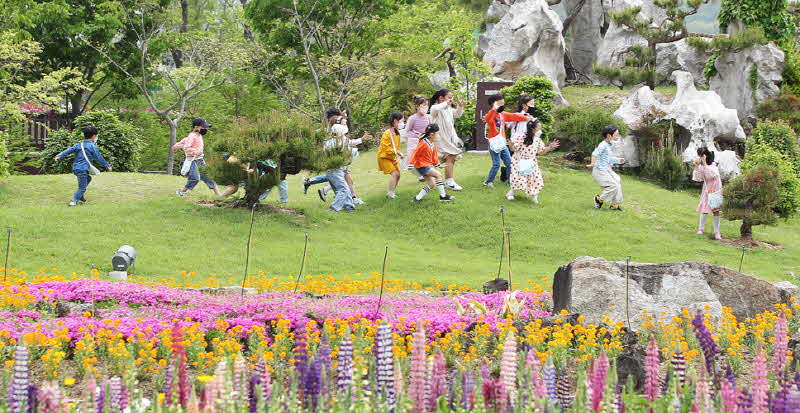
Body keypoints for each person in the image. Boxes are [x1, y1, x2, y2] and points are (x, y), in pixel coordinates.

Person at [482, 93, 532, 189]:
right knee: (496, 164)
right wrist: (494, 109)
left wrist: (526, 118)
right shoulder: (491, 114)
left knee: (510, 163)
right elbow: (488, 119)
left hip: (502, 143)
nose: (503, 103)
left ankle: (511, 181)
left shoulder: (503, 114)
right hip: (494, 143)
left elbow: (514, 116)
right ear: (495, 103)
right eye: (501, 102)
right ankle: (488, 182)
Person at [54, 126, 112, 206]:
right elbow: (98, 157)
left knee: (89, 178)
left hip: (76, 168)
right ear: (94, 136)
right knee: (82, 188)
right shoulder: (92, 146)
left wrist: (59, 156)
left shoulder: (79, 145)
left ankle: (80, 196)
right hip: (83, 169)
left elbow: (68, 150)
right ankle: (73, 201)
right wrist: (107, 166)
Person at [507, 119, 559, 203]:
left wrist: (550, 147)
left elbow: (541, 152)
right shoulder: (521, 138)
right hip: (519, 161)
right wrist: (511, 145)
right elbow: (515, 149)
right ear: (533, 129)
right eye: (539, 127)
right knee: (518, 179)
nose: (540, 129)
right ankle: (511, 193)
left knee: (535, 179)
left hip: (531, 162)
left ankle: (534, 197)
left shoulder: (538, 140)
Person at [173, 118, 221, 197]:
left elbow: (185, 141)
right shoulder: (192, 136)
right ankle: (182, 191)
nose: (205, 129)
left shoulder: (198, 135)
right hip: (193, 160)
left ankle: (219, 194)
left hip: (200, 159)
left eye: (206, 127)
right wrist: (194, 151)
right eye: (203, 127)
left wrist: (177, 146)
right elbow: (187, 147)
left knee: (208, 176)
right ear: (196, 127)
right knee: (195, 178)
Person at [429, 88, 465, 191]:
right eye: (449, 97)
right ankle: (449, 181)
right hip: (440, 140)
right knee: (450, 156)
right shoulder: (435, 108)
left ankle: (426, 171)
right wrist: (446, 103)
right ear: (441, 98)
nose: (451, 99)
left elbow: (457, 114)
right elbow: (436, 109)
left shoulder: (448, 109)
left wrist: (460, 106)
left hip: (449, 139)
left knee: (447, 158)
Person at [409, 124, 454, 202]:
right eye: (437, 133)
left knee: (432, 184)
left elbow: (434, 156)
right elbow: (415, 153)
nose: (439, 135)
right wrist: (411, 164)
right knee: (438, 175)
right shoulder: (423, 143)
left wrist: (438, 165)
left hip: (426, 165)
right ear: (431, 134)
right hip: (422, 166)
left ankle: (417, 198)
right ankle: (443, 196)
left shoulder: (432, 144)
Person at [587, 125, 625, 211]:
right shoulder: (603, 145)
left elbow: (608, 158)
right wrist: (592, 164)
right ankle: (599, 200)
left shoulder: (609, 144)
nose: (617, 137)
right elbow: (594, 154)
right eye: (616, 135)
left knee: (617, 180)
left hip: (607, 169)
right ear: (609, 136)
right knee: (613, 185)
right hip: (600, 171)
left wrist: (619, 160)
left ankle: (615, 205)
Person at [693, 147, 723, 240]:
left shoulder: (713, 165)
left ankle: (716, 231)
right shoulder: (702, 166)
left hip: (716, 190)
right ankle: (701, 229)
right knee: (704, 210)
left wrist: (705, 163)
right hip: (707, 190)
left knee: (716, 211)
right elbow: (698, 178)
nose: (700, 158)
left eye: (701, 156)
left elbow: (713, 174)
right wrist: (696, 166)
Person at [378, 111, 405, 198]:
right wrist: (397, 152)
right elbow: (386, 148)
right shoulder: (387, 133)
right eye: (401, 121)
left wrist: (398, 153)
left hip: (392, 157)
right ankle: (390, 194)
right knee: (395, 174)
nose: (402, 123)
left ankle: (391, 192)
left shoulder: (397, 133)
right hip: (384, 157)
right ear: (395, 121)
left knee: (398, 175)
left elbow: (396, 147)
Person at [404, 96, 430, 181]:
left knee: (426, 161)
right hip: (414, 143)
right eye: (424, 105)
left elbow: (431, 129)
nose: (426, 107)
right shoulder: (412, 118)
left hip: (425, 142)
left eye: (427, 105)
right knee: (411, 163)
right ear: (417, 106)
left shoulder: (429, 117)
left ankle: (426, 175)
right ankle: (420, 175)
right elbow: (407, 131)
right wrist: (416, 135)